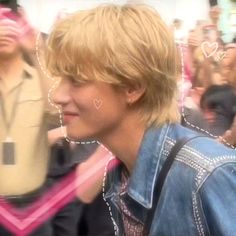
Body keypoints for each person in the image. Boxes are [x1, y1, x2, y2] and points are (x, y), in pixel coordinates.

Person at [46, 4, 236, 236]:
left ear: (133, 87)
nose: (57, 96)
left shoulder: (206, 175)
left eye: (76, 79)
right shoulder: (125, 172)